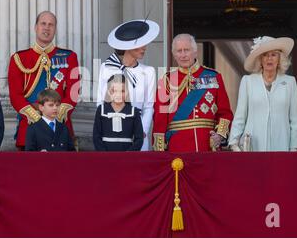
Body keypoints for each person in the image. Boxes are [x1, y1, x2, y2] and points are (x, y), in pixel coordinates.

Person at [8, 11, 80, 150]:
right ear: (35, 27)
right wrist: (38, 120)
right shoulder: (18, 58)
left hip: (60, 130)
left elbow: (73, 93)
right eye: (43, 24)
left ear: (55, 29)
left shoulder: (70, 57)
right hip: (29, 129)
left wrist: (54, 116)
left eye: (51, 25)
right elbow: (15, 96)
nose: (47, 28)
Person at [152, 34, 233, 152]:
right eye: (179, 51)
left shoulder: (213, 76)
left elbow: (225, 113)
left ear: (195, 52)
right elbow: (160, 119)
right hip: (177, 147)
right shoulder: (166, 81)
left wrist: (219, 136)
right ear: (174, 55)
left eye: (187, 50)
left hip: (207, 146)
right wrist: (160, 151)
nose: (183, 55)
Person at [96, 19, 159, 151]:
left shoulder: (148, 71)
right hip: (110, 133)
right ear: (127, 47)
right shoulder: (106, 68)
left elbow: (148, 106)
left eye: (144, 43)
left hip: (137, 133)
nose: (144, 47)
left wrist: (141, 131)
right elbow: (101, 103)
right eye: (140, 44)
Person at [229, 36, 297, 151]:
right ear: (260, 60)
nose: (269, 59)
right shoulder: (248, 81)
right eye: (265, 55)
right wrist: (234, 143)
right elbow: (240, 115)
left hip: (282, 145)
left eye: (273, 55)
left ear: (279, 59)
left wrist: (294, 148)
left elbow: (295, 119)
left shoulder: (289, 82)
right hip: (252, 147)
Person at [93, 74, 144, 151]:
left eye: (122, 91)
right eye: (114, 91)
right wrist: (104, 155)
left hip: (127, 159)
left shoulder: (134, 112)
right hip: (105, 157)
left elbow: (139, 139)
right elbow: (96, 137)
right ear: (109, 92)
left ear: (127, 92)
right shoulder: (101, 110)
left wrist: (128, 155)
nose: (118, 94)